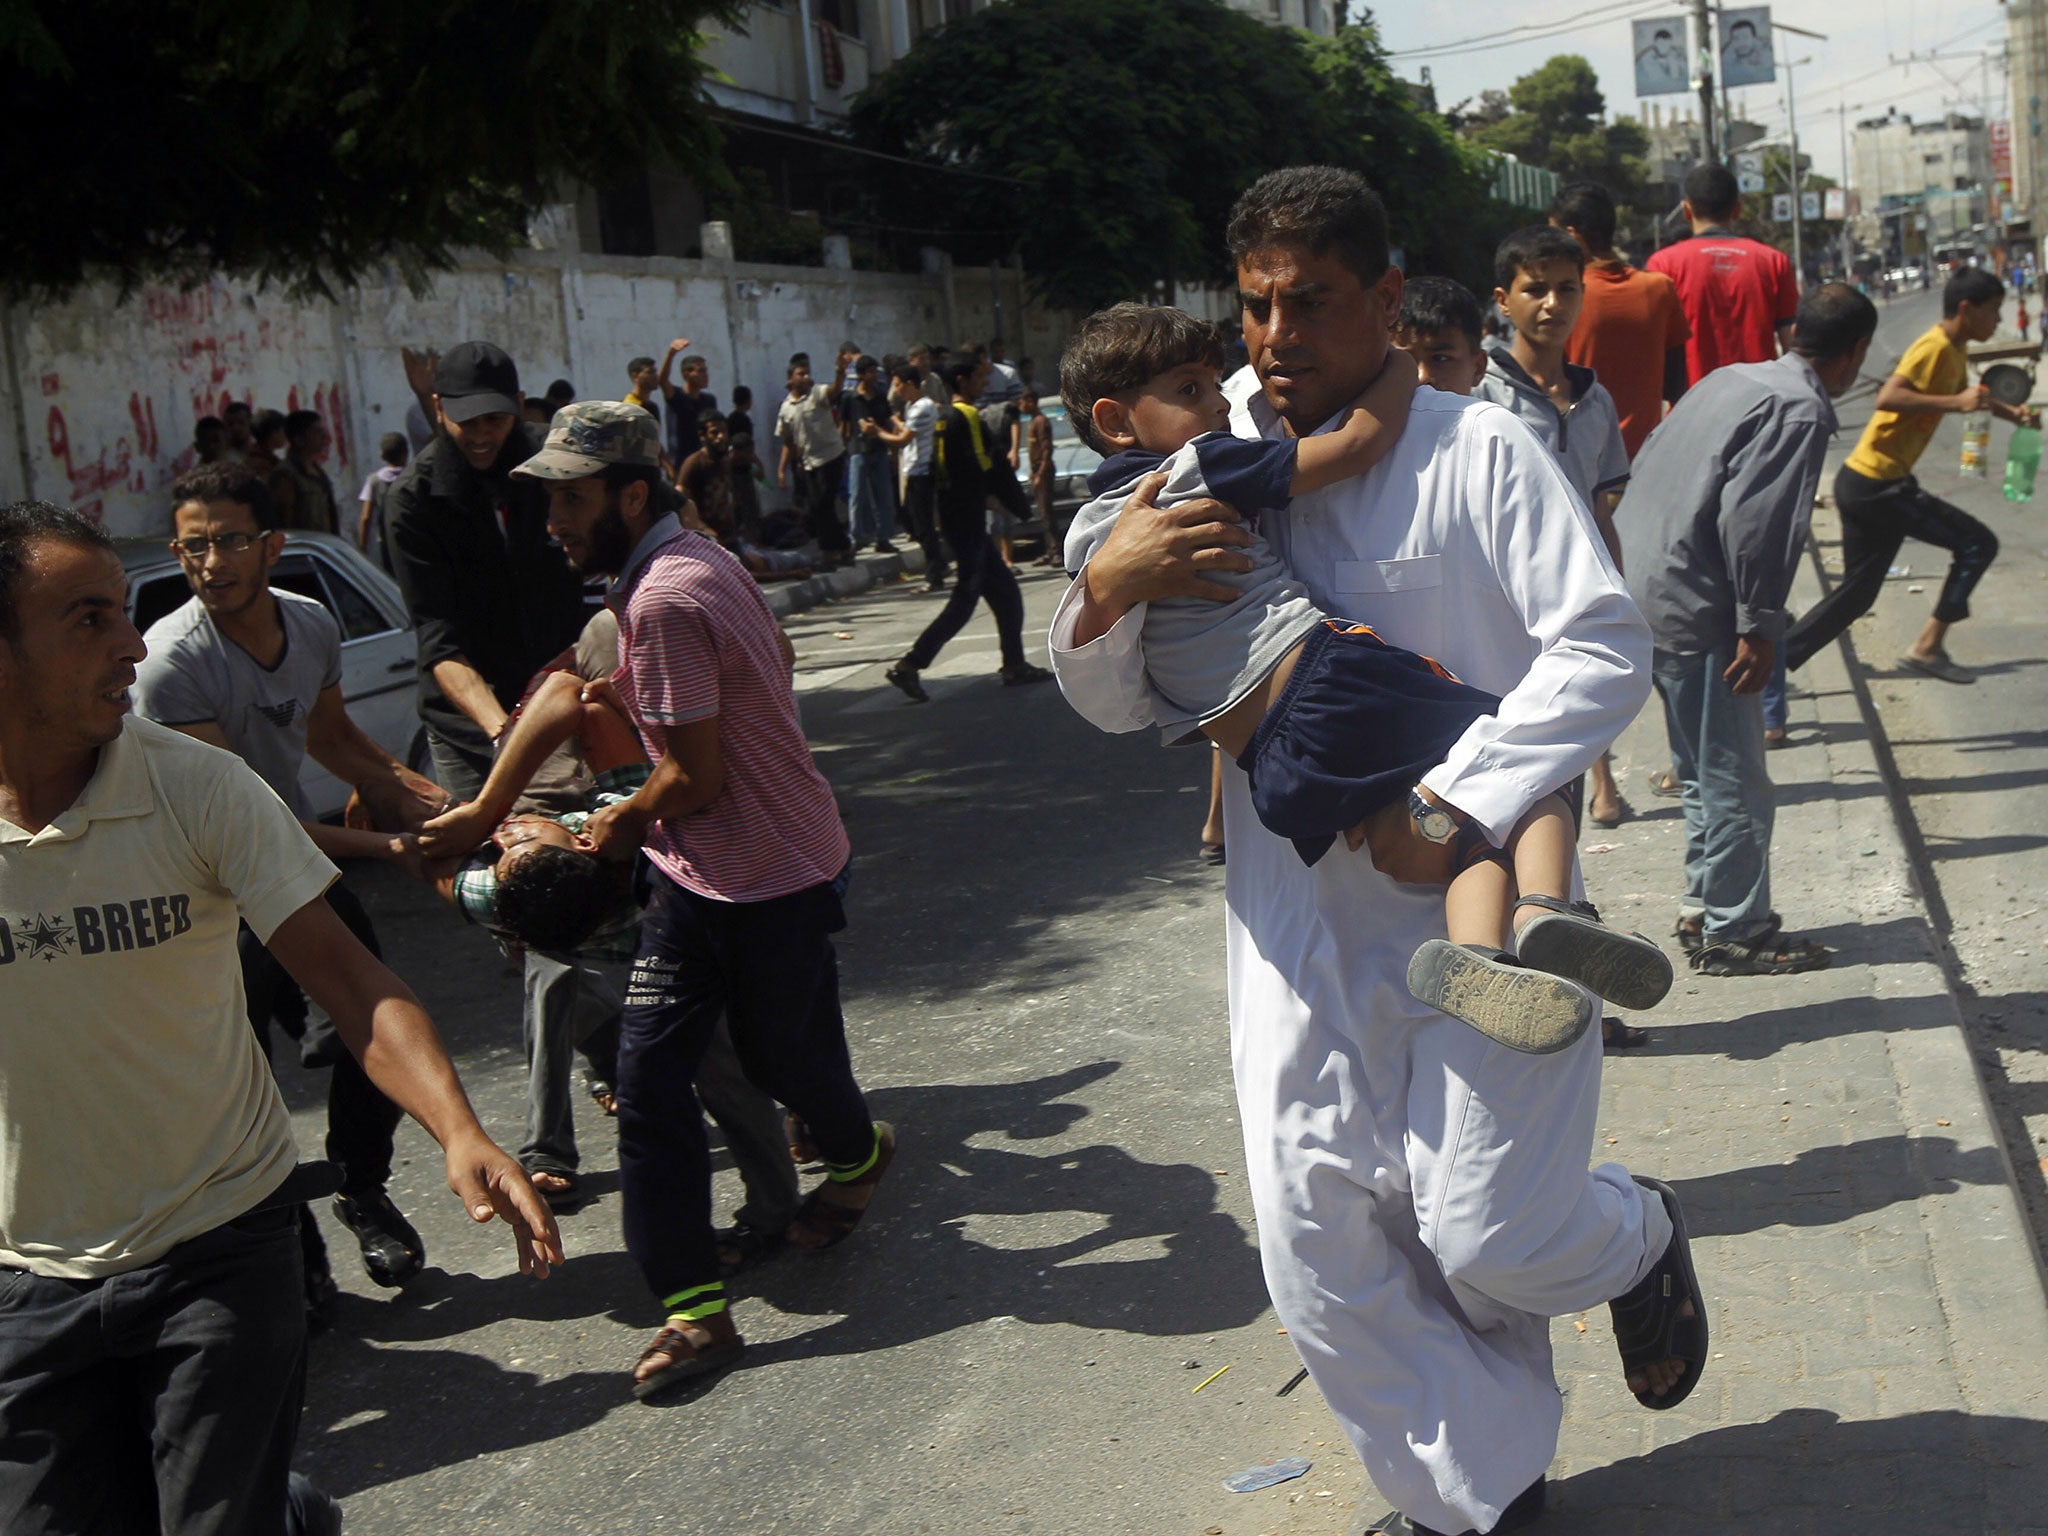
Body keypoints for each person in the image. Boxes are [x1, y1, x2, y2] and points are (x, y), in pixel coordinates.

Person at [1050, 167, 1702, 1536]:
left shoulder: (1475, 451)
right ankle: (1476, 1495)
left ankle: (1633, 1234)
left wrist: (1458, 800)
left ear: (1388, 299)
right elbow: (1129, 698)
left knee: (1486, 1232)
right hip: (1294, 926)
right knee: (1316, 1245)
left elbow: (1601, 648)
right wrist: (1108, 588)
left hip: (1479, 907)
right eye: (1256, 306)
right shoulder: (1198, 455)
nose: (1277, 337)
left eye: (1313, 304)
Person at [0, 499, 560, 1535]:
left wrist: (460, 1129)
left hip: (218, 1246)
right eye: (88, 620)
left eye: (125, 613)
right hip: (30, 1275)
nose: (131, 642)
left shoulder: (195, 790)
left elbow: (353, 984)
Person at [1059, 301, 1670, 1049]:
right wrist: (1399, 371)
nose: (1220, 403)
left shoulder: (1093, 532)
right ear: (1117, 422)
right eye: (1191, 391)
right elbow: (1356, 444)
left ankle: (1476, 959)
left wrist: (1103, 587)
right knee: (1518, 755)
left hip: (1271, 767)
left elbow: (1115, 676)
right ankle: (1545, 912)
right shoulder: (1200, 465)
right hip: (1325, 688)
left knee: (1460, 829)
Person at [510, 401, 896, 1400]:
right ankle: (692, 1311)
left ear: (631, 495)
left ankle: (857, 1157)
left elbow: (695, 779)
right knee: (647, 1083)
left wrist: (620, 819)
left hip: (771, 875)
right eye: (548, 499)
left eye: (571, 499)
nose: (554, 519)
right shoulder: (695, 565)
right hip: (697, 880)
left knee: (784, 1061)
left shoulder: (668, 599)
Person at [131, 461, 451, 1310]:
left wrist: (437, 803)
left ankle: (361, 1187)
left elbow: (336, 739)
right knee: (242, 1076)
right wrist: (388, 845)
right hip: (201, 893)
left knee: (369, 1022)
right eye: (194, 546)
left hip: (286, 873)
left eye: (230, 540)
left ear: (272, 545)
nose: (212, 561)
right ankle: (293, 1251)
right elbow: (248, 822)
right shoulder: (170, 663)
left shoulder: (308, 622)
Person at [416, 615, 800, 1256]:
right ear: (584, 838)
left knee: (592, 1021)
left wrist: (444, 822)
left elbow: (431, 864)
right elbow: (581, 697)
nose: (509, 830)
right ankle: (779, 1203)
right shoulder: (624, 829)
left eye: (509, 837)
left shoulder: (494, 899)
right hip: (669, 957)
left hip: (615, 954)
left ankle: (588, 1163)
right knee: (724, 1077)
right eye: (520, 834)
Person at [1623, 285, 1877, 977]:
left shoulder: (1735, 377)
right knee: (1735, 776)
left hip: (1648, 590)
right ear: (1855, 353)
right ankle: (1738, 932)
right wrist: (1759, 627)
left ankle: (1705, 906)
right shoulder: (1797, 408)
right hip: (1700, 606)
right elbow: (1757, 527)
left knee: (1704, 770)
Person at [1782, 266, 2032, 684]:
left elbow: (1971, 399)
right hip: (1878, 486)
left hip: (1868, 482)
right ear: (1967, 308)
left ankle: (1778, 662)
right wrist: (1956, 403)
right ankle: (1928, 647)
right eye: (1994, 310)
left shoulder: (1956, 348)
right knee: (1977, 544)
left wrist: (2013, 415)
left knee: (1857, 595)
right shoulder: (1934, 347)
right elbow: (1889, 396)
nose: (1998, 320)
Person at [1477, 225, 1636, 835]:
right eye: (1534, 289)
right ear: (1504, 299)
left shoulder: (1595, 401)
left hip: (1578, 585)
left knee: (1581, 694)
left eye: (1566, 289)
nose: (1552, 304)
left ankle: (1597, 782)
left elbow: (1601, 508)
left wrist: (1618, 584)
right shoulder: (1483, 395)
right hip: (1503, 588)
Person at [385, 340, 593, 800]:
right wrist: (508, 736)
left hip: (567, 706)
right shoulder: (412, 502)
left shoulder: (560, 463)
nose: (481, 436)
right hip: (471, 730)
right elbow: (440, 643)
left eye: (494, 421)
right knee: (491, 859)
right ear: (439, 410)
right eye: (467, 422)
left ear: (519, 408)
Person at [883, 358, 1055, 701]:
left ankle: (1014, 664)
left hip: (955, 515)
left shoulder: (942, 418)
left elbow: (936, 469)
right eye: (978, 375)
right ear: (962, 380)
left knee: (1006, 593)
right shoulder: (968, 416)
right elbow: (986, 465)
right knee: (965, 597)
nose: (983, 380)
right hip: (969, 518)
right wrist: (1013, 503)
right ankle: (910, 665)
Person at [1550, 180, 1692, 458]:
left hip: (1582, 460)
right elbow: (1676, 387)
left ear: (1573, 237)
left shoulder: (1560, 298)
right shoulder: (1660, 289)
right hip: (1646, 461)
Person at [1647, 163, 1800, 386]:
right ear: (1737, 210)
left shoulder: (1663, 264)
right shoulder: (1773, 261)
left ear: (1687, 210)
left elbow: (1654, 350)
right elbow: (1792, 348)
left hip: (1692, 408)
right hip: (1761, 406)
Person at [872, 362, 948, 587]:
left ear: (909, 384)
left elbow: (904, 438)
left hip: (922, 471)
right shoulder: (913, 407)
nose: (896, 390)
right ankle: (937, 565)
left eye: (897, 385)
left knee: (923, 525)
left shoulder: (922, 407)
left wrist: (877, 432)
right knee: (916, 523)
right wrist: (893, 419)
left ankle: (935, 573)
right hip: (914, 470)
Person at [774, 354, 853, 567]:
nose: (806, 377)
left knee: (823, 504)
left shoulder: (817, 393)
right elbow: (789, 442)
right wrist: (782, 470)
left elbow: (834, 390)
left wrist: (839, 372)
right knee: (819, 508)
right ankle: (844, 547)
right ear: (791, 378)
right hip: (809, 462)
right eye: (801, 374)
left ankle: (830, 552)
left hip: (831, 456)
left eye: (807, 373)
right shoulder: (786, 408)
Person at [841, 356, 900, 553]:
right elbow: (845, 427)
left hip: (879, 449)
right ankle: (856, 537)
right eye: (870, 372)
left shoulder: (880, 397)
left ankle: (884, 537)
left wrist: (892, 452)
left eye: (875, 371)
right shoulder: (850, 398)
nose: (874, 376)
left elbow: (888, 422)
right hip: (858, 451)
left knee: (884, 496)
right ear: (861, 375)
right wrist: (843, 451)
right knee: (857, 496)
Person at [1393, 277, 1491, 394]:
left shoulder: (1497, 412)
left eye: (1440, 358)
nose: (1422, 377)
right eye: (1406, 359)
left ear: (1478, 368)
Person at [267, 410, 339, 536]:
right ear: (299, 439)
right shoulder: (285, 475)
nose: (323, 435)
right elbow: (285, 523)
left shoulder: (317, 471)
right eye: (316, 431)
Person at [357, 431, 409, 572]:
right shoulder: (413, 475)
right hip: (412, 536)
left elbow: (366, 517)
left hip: (387, 540)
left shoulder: (374, 480)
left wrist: (361, 548)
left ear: (382, 455)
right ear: (406, 453)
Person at [1023, 390, 1060, 566]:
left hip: (1044, 471)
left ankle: (1056, 552)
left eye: (1023, 401)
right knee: (1042, 513)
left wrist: (1040, 474)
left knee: (1047, 513)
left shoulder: (1041, 421)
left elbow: (1046, 449)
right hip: (1036, 469)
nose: (1021, 406)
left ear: (1030, 401)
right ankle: (1049, 550)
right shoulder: (1032, 421)